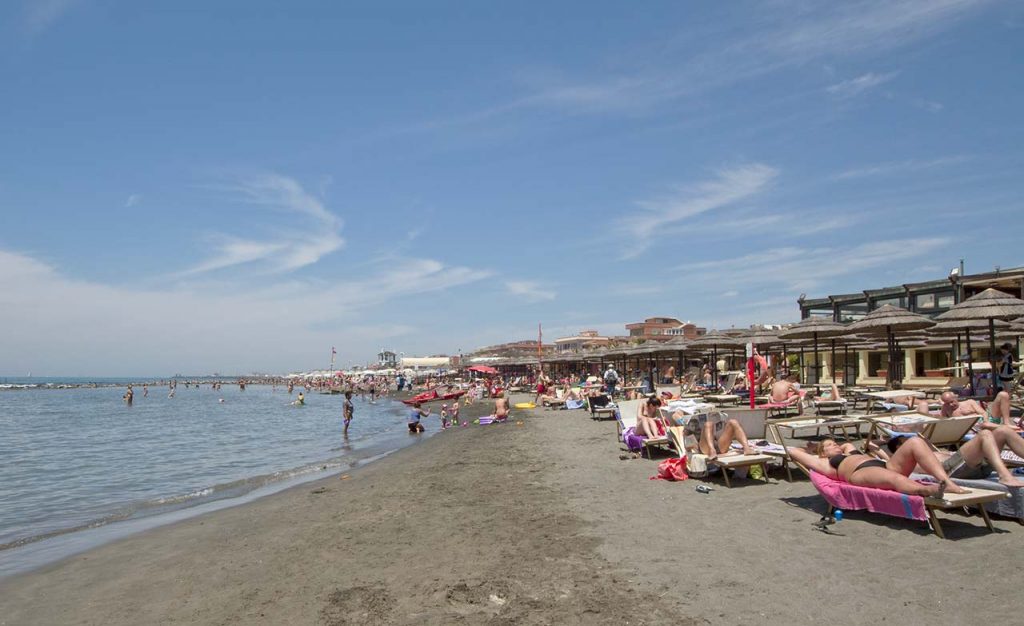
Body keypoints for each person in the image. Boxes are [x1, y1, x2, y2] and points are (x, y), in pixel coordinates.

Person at [788, 438, 966, 497]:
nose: (835, 445)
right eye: (830, 445)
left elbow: (848, 444)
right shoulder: (824, 463)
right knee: (896, 479)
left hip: (886, 465)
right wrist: (812, 449)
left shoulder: (849, 451)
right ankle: (926, 490)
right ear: (822, 453)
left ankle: (946, 481)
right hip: (861, 473)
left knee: (916, 442)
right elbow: (794, 452)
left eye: (835, 443)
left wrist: (837, 447)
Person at [872, 426, 1024, 488]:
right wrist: (881, 442)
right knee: (984, 435)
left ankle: (1002, 471)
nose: (911, 439)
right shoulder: (898, 459)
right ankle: (1004, 475)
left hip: (972, 464)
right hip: (951, 470)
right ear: (899, 448)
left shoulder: (927, 450)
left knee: (1003, 430)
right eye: (904, 439)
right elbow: (874, 447)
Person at [921, 391, 1013, 427]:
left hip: (987, 420)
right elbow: (943, 420)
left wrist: (985, 420)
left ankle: (1006, 423)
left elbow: (983, 413)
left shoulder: (969, 402)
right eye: (948, 403)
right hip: (976, 427)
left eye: (952, 401)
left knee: (1003, 395)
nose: (951, 404)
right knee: (982, 425)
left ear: (956, 397)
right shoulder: (946, 408)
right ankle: (1005, 428)